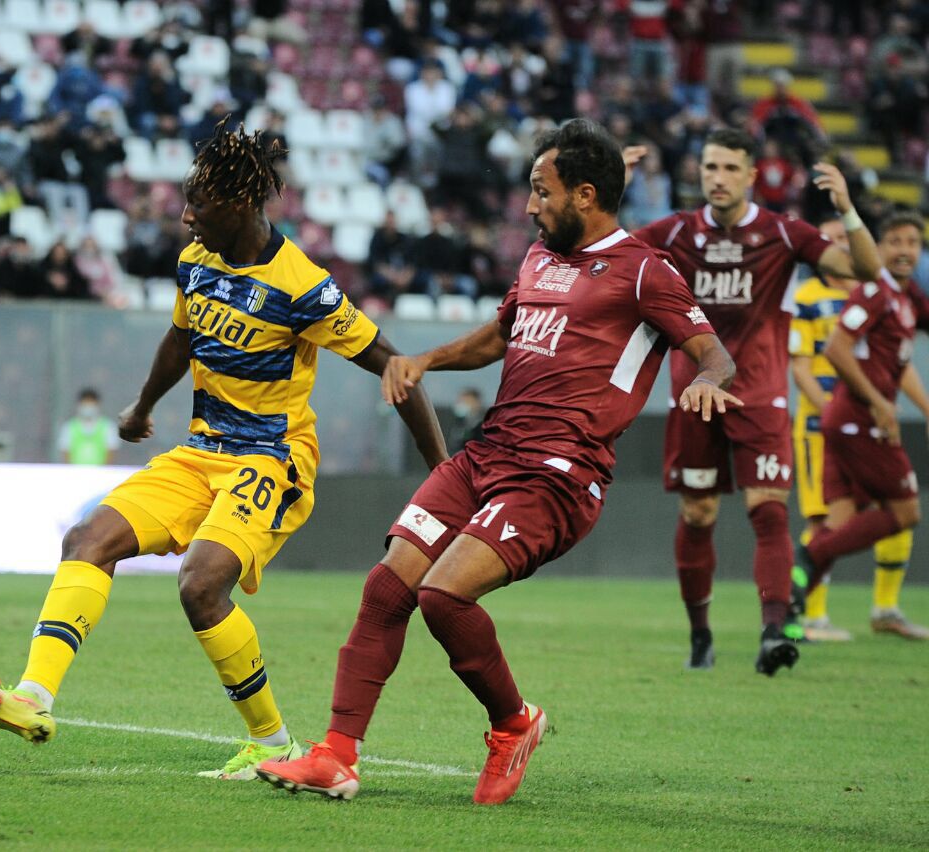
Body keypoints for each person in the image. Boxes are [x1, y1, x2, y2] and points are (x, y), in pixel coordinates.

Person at [256, 118, 738, 804]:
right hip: (489, 451)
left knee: (443, 596)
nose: (530, 205)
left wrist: (708, 381)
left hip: (557, 476)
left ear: (587, 194)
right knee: (388, 588)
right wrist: (423, 359)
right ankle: (335, 755)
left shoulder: (644, 272)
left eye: (542, 191)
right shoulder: (539, 259)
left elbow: (714, 353)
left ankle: (513, 724)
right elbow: (496, 339)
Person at [0, 117, 448, 781]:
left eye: (200, 204)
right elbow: (182, 338)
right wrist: (144, 405)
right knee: (87, 539)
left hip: (271, 459)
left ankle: (272, 742)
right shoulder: (197, 261)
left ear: (241, 205)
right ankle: (32, 697)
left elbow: (396, 368)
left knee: (200, 583)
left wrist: (444, 477)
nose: (186, 216)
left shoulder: (301, 286)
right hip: (200, 451)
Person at [626, 127, 882, 673]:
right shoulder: (674, 231)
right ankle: (700, 636)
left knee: (768, 510)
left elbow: (863, 269)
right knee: (698, 514)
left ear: (750, 174)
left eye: (728, 169)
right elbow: (604, 256)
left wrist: (850, 213)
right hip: (694, 396)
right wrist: (610, 196)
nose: (717, 178)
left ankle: (773, 632)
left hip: (761, 397)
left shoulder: (784, 233)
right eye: (709, 167)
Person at [793, 211, 929, 640]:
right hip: (856, 419)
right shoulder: (872, 292)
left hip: (850, 419)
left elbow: (899, 362)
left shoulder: (905, 300)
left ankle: (785, 618)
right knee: (905, 510)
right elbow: (833, 349)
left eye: (913, 242)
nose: (905, 250)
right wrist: (878, 404)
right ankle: (808, 564)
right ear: (876, 248)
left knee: (841, 520)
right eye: (894, 241)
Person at [56, 389, 118, 464]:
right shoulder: (69, 427)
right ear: (79, 405)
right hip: (75, 473)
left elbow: (111, 452)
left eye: (91, 404)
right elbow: (65, 452)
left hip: (101, 473)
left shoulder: (108, 427)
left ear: (98, 405)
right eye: (85, 403)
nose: (88, 407)